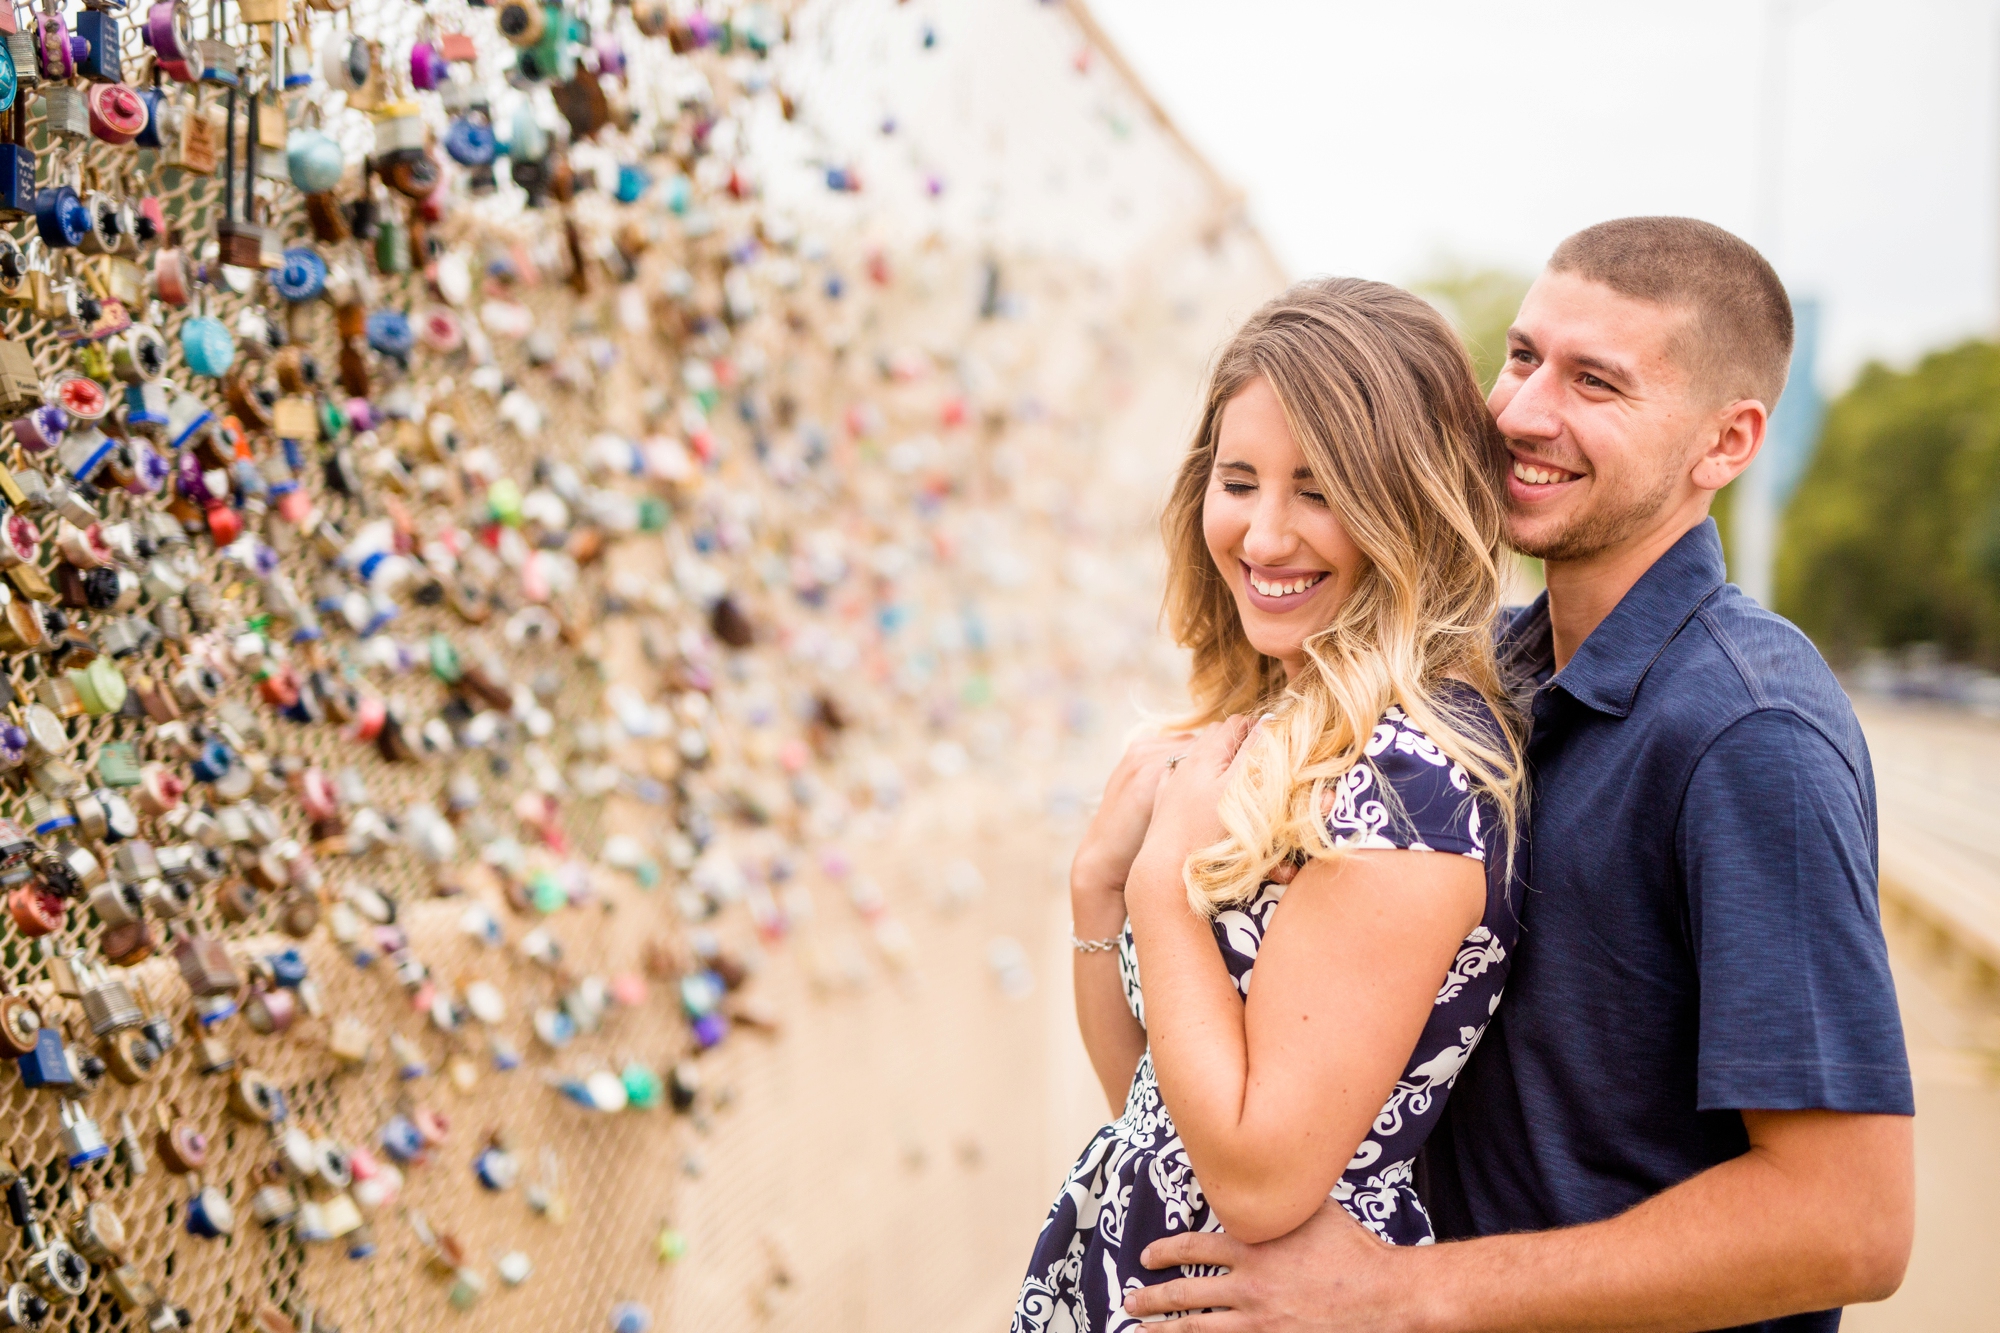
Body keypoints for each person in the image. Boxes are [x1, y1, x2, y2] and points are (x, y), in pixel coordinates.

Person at [1124, 218, 1916, 1332]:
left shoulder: (1750, 731)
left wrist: (1403, 1294)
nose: (1523, 412)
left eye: (1596, 382)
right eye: (1523, 355)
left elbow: (1848, 1222)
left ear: (1726, 442)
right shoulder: (1485, 671)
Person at [1015, 277, 1530, 1331]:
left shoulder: (1410, 784)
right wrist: (1093, 895)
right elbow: (1155, 1109)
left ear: (1408, 507)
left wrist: (1159, 885)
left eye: (1319, 489)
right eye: (1237, 480)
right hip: (1149, 1282)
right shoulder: (1267, 725)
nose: (1261, 535)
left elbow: (1253, 1182)